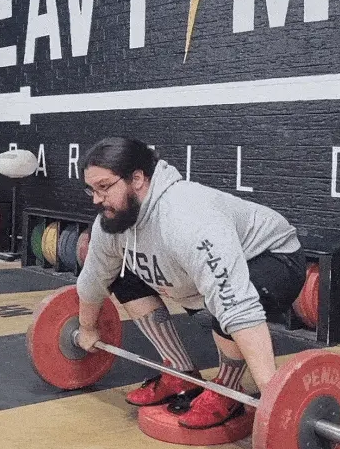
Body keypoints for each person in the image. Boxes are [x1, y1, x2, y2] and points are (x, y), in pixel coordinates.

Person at [76, 137, 306, 429]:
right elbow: (95, 277)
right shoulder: (113, 222)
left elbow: (236, 303)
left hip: (274, 259)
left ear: (137, 178)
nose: (96, 199)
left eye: (104, 187)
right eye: (91, 189)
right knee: (121, 276)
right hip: (202, 272)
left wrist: (273, 396)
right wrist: (86, 327)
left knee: (222, 305)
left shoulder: (188, 217)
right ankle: (179, 371)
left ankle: (229, 388)